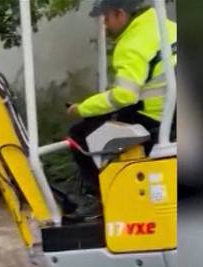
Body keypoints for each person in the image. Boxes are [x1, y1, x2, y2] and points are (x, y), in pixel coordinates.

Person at [65, 0, 177, 213]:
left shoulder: (131, 44)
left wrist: (82, 108)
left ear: (120, 14)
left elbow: (124, 95)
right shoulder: (164, 25)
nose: (105, 25)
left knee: (79, 135)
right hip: (176, 114)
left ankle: (95, 200)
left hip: (154, 116)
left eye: (106, 18)